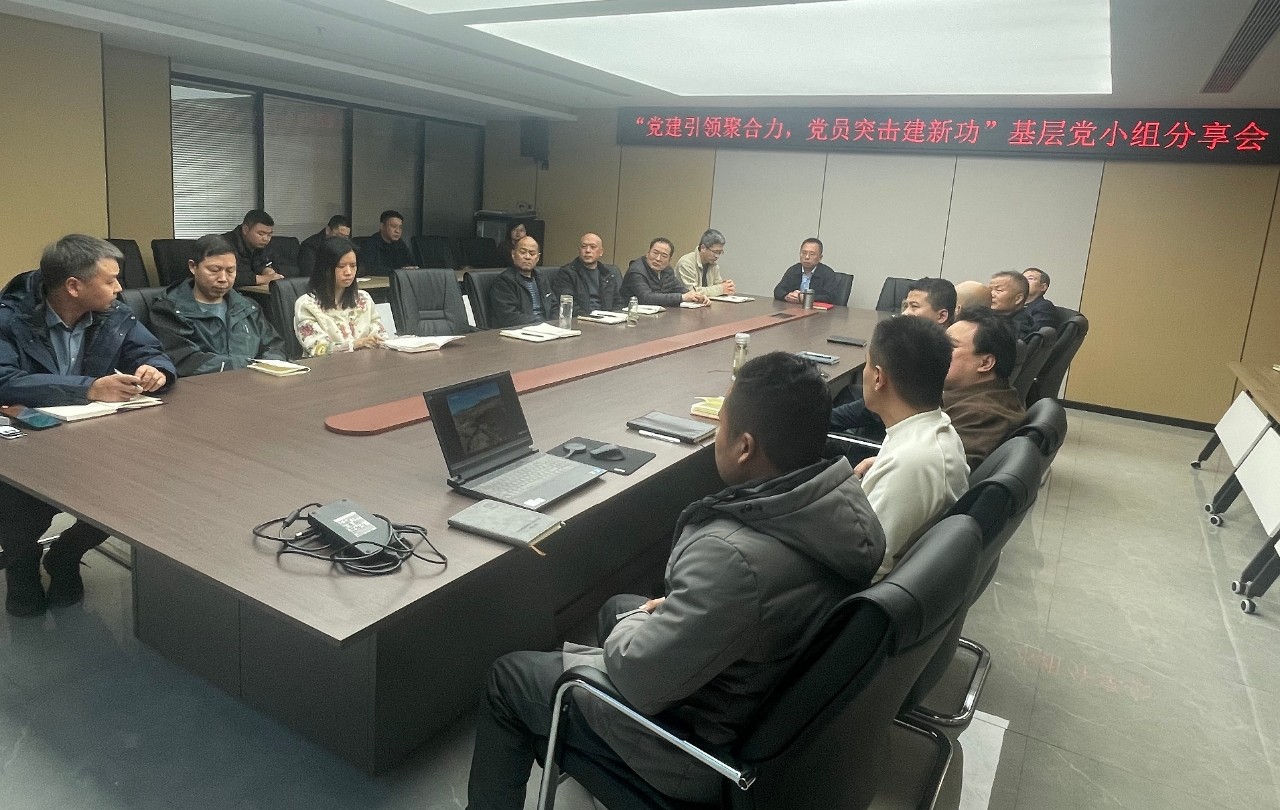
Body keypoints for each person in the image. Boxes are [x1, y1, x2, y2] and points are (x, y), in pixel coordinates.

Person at [465, 352, 886, 808]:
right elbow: (750, 600)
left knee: (509, 677)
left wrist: (640, 620)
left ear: (744, 447)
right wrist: (664, 612)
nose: (717, 437)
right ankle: (589, 748)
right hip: (756, 692)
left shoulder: (731, 557)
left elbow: (638, 676)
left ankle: (593, 751)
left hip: (696, 752)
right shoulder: (844, 507)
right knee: (617, 607)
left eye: (721, 426)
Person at [0, 235, 176, 617]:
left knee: (130, 493)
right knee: (18, 505)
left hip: (92, 432)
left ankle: (65, 553)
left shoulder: (114, 313)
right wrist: (88, 388)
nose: (120, 288)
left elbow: (150, 351)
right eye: (110, 280)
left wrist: (155, 369)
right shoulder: (8, 317)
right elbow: (4, 380)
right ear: (73, 286)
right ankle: (22, 565)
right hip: (26, 434)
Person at [854, 315, 968, 579]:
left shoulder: (912, 463)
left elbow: (864, 565)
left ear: (878, 378)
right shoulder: (932, 428)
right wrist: (882, 463)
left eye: (867, 364)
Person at [150, 234, 287, 376]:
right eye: (214, 270)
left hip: (256, 382)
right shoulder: (169, 310)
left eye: (230, 271)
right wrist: (249, 366)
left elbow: (274, 345)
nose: (223, 279)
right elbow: (185, 360)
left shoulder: (248, 307)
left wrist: (272, 364)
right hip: (205, 386)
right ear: (193, 267)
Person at [942, 307, 1026, 469]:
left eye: (949, 346)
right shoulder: (976, 397)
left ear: (985, 363)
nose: (936, 351)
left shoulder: (981, 416)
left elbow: (941, 472)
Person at [294, 237, 388, 356]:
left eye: (353, 265)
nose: (348, 272)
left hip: (367, 363)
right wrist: (355, 344)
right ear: (325, 268)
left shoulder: (364, 299)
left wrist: (378, 341)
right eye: (341, 266)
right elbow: (317, 349)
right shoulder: (306, 305)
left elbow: (381, 334)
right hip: (327, 366)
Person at [489, 235, 557, 328]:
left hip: (547, 328)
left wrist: (556, 324)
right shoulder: (504, 282)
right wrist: (541, 324)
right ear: (513, 254)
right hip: (521, 330)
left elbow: (554, 307)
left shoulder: (541, 278)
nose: (527, 257)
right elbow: (509, 317)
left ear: (537, 258)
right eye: (522, 252)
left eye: (532, 253)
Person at [620, 238, 708, 307]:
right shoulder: (637, 270)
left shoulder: (667, 270)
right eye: (655, 253)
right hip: (632, 315)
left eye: (664, 256)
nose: (658, 259)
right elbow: (646, 298)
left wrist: (696, 296)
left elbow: (678, 288)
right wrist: (682, 297)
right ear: (647, 253)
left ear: (669, 260)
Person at [552, 232, 623, 314]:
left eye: (593, 247)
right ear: (579, 250)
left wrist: (613, 316)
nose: (587, 250)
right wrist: (589, 317)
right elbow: (568, 304)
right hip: (582, 318)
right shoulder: (567, 273)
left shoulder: (607, 273)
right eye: (584, 247)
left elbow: (619, 302)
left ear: (601, 252)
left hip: (607, 318)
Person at [223, 209, 283, 288]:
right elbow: (226, 275)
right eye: (261, 234)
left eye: (269, 234)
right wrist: (262, 279)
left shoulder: (261, 245)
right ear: (245, 230)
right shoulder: (224, 245)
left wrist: (265, 270)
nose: (266, 239)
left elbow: (262, 263)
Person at [773, 238, 839, 304]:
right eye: (804, 253)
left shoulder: (827, 273)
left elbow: (830, 297)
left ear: (820, 258)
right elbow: (778, 290)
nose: (807, 257)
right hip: (793, 308)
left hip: (816, 309)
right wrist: (786, 296)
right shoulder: (793, 270)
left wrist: (806, 298)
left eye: (812, 254)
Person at [674, 229, 735, 298]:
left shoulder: (714, 265)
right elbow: (692, 292)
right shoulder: (686, 263)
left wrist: (727, 287)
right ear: (703, 248)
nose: (717, 256)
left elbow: (717, 286)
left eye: (720, 252)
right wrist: (721, 289)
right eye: (715, 252)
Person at [357, 209, 416, 275]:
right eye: (394, 226)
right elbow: (371, 269)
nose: (397, 231)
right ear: (382, 226)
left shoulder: (400, 243)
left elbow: (412, 263)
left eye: (400, 227)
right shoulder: (369, 244)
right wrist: (399, 272)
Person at [989, 271, 1035, 338]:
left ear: (1018, 298)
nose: (991, 294)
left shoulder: (1020, 327)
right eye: (990, 290)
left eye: (999, 290)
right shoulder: (988, 316)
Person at [1022, 267, 1062, 332]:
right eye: (1022, 279)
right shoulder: (1014, 304)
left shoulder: (1044, 307)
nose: (1023, 282)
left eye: (1030, 278)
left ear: (1043, 287)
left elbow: (1036, 334)